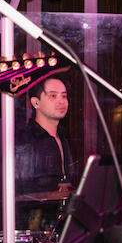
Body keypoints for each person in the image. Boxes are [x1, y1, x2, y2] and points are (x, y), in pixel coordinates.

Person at [14, 74, 75, 229]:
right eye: (53, 96)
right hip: (34, 228)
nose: (61, 101)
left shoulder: (63, 136)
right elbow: (21, 191)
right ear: (36, 102)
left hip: (62, 225)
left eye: (64, 96)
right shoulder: (26, 139)